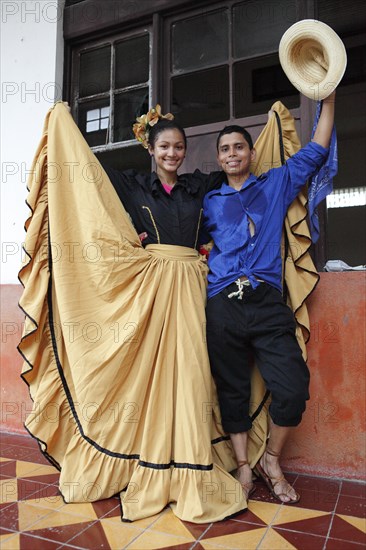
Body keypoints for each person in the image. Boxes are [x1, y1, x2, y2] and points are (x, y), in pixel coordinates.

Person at [19, 101, 270, 524]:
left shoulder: (200, 186)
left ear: (185, 152)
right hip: (151, 292)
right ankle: (145, 457)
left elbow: (239, 169)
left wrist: (268, 137)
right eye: (164, 147)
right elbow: (87, 176)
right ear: (151, 150)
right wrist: (64, 125)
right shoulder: (132, 185)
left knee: (194, 371)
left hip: (194, 287)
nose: (172, 153)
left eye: (178, 147)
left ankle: (194, 460)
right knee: (149, 373)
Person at [201, 91, 336, 503]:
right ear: (219, 159)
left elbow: (315, 152)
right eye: (224, 149)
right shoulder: (208, 201)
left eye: (238, 146)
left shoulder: (274, 183)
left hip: (266, 301)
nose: (232, 154)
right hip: (223, 302)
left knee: (293, 386)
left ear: (250, 152)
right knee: (232, 388)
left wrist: (328, 101)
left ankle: (270, 459)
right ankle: (244, 465)